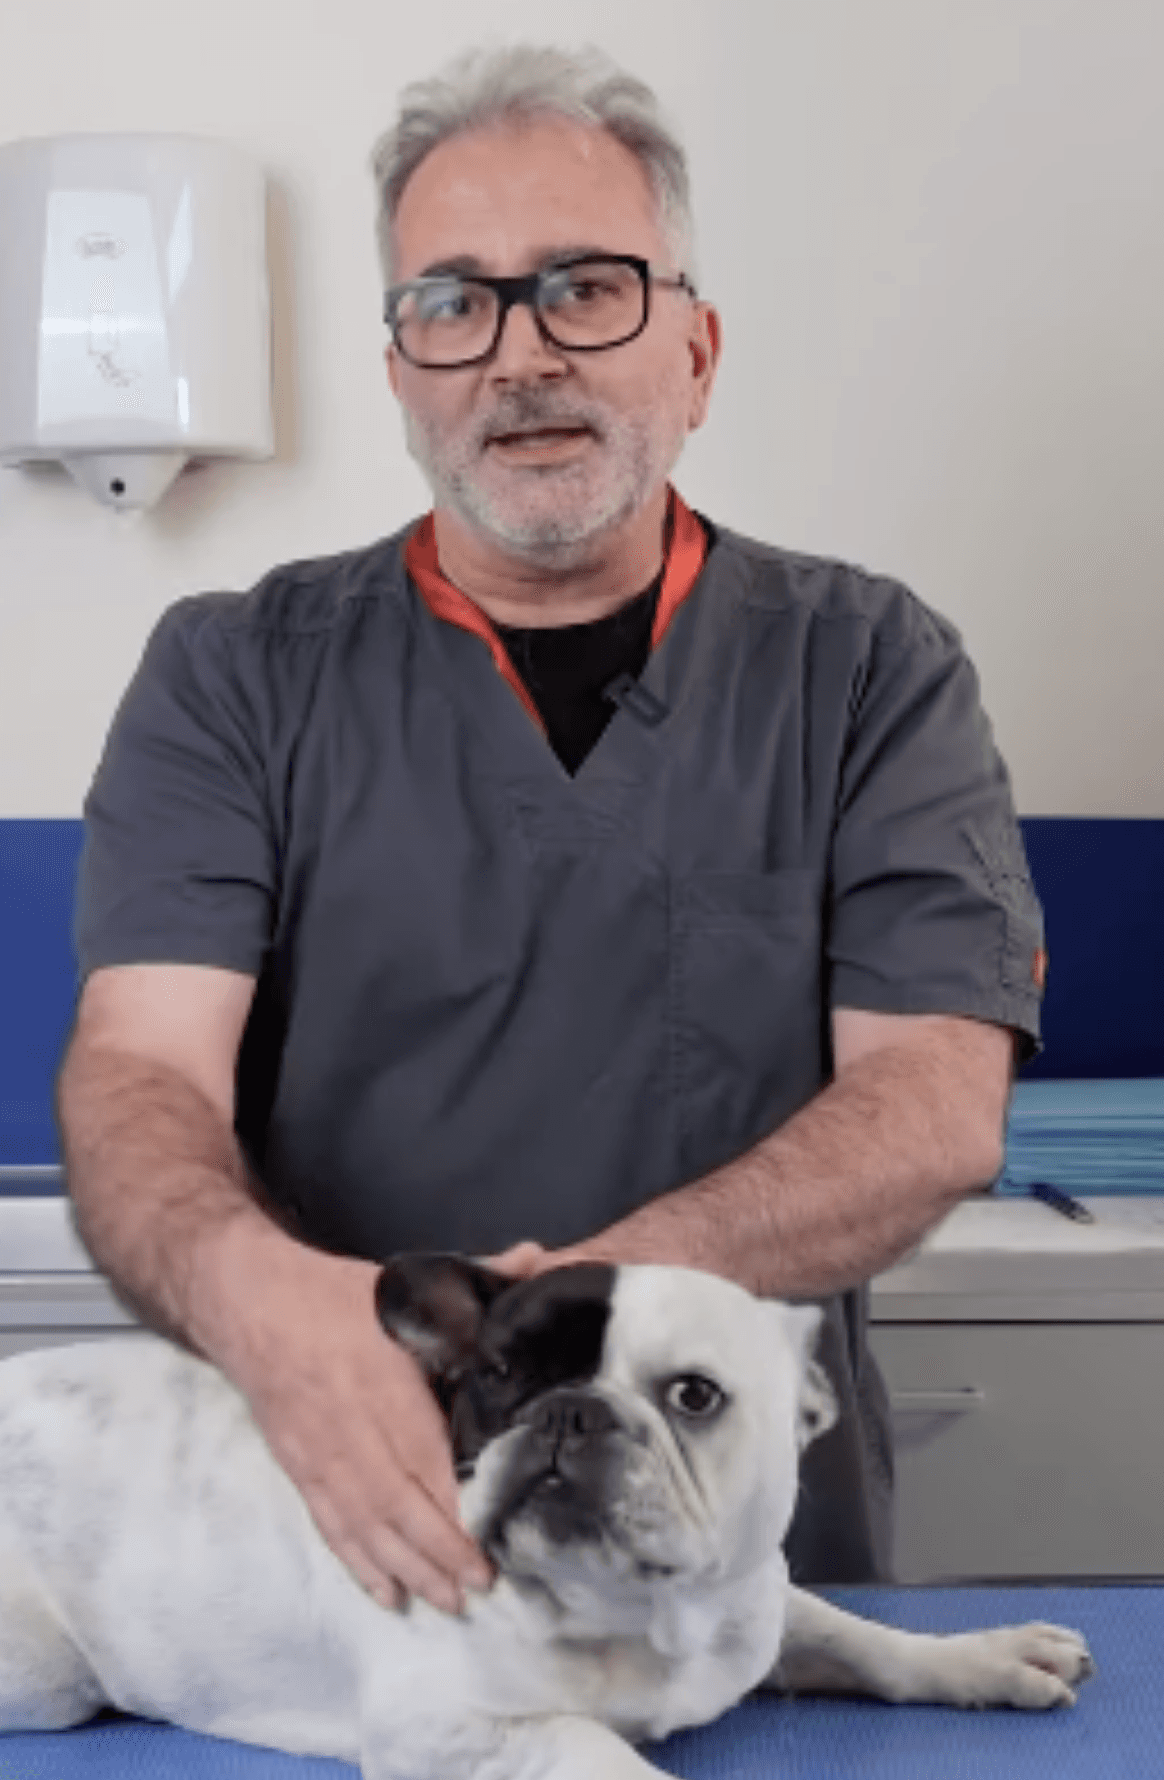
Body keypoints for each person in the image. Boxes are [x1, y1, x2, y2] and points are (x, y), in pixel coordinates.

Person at [56, 44, 1044, 1616]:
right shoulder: (235, 675)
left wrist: (581, 1315)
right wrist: (261, 1304)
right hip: (352, 1533)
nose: (518, 354)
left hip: (737, 1555)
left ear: (696, 353)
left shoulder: (865, 669)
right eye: (453, 303)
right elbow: (141, 1073)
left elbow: (932, 1102)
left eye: (585, 288)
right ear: (403, 374)